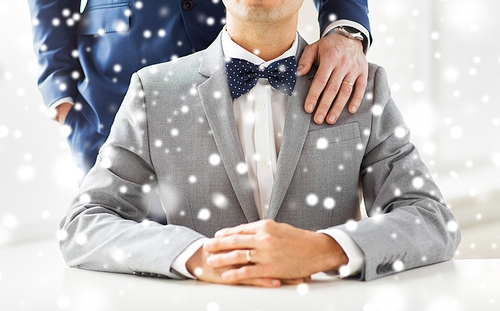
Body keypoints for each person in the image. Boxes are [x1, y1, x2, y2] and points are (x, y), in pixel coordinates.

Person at [59, 0, 460, 286]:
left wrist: (326, 250)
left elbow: (432, 219)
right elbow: (83, 226)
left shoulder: (362, 86)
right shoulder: (153, 91)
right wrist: (198, 257)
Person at [28, 0, 372, 182]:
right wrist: (59, 91)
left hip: (240, 60)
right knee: (123, 255)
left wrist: (345, 28)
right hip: (109, 90)